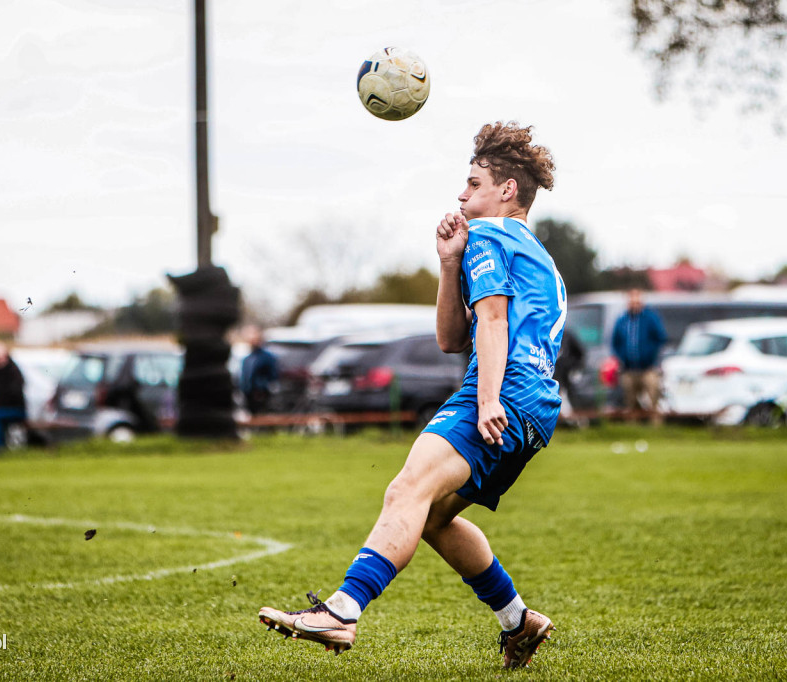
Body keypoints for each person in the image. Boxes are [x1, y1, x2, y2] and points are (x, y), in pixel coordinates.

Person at [258, 121, 564, 669]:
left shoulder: (491, 235)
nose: (461, 194)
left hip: (499, 396)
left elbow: (491, 321)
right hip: (536, 411)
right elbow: (451, 339)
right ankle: (518, 621)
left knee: (405, 490)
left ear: (506, 190)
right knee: (429, 517)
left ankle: (342, 612)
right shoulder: (534, 253)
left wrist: (489, 399)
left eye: (473, 183)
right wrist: (449, 262)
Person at [611, 289, 667, 425]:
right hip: (629, 368)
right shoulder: (622, 320)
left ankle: (656, 427)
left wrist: (651, 354)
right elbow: (615, 342)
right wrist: (622, 357)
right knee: (630, 400)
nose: (634, 304)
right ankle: (634, 427)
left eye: (637, 301)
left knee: (653, 395)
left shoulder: (650, 318)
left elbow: (661, 337)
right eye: (632, 302)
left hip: (648, 367)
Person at [240, 325, 279, 414]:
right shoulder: (247, 358)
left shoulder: (267, 357)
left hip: (261, 394)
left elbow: (273, 376)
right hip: (248, 394)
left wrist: (262, 387)